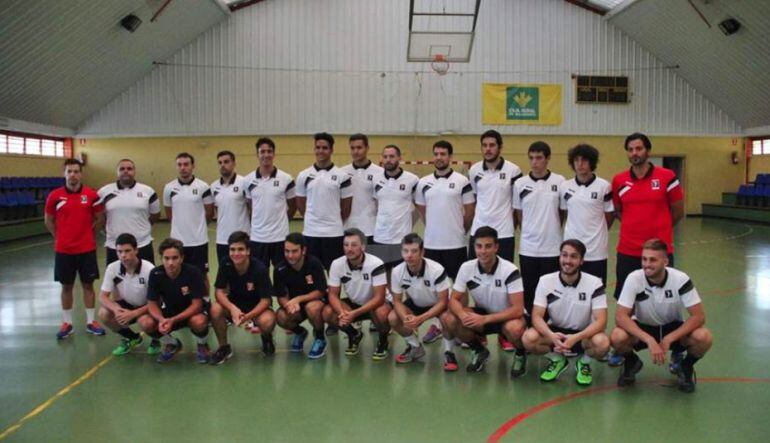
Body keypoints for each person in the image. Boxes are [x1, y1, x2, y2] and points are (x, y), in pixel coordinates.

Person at [609, 132, 684, 366]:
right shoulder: (619, 181)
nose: (635, 153)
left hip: (660, 253)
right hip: (628, 251)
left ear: (647, 151)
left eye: (639, 149)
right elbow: (619, 211)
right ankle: (624, 350)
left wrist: (658, 239)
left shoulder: (667, 176)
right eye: (630, 149)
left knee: (668, 299)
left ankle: (676, 349)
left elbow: (678, 210)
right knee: (626, 302)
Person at [610, 239, 712, 393]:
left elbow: (698, 316)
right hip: (644, 326)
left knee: (703, 337)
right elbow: (620, 317)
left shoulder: (680, 279)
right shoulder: (634, 278)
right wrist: (649, 339)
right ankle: (631, 362)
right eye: (644, 259)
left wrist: (669, 338)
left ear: (665, 261)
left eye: (652, 260)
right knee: (617, 336)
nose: (646, 264)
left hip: (672, 326)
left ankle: (685, 367)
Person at [440, 227, 527, 375]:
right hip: (483, 313)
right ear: (474, 247)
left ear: (496, 247)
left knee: (515, 329)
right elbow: (453, 300)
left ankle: (520, 354)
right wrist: (462, 315)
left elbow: (518, 309)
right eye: (479, 246)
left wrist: (485, 319)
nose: (483, 251)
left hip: (506, 317)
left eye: (488, 246)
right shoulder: (467, 267)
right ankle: (479, 350)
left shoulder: (510, 270)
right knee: (448, 318)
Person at [522, 239, 609, 385]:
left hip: (583, 334)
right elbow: (536, 316)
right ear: (560, 257)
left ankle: (584, 362)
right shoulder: (545, 281)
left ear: (581, 261)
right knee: (528, 338)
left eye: (573, 256)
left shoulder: (594, 283)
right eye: (564, 255)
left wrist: (576, 337)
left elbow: (601, 321)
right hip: (556, 333)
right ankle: (557, 360)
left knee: (603, 344)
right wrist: (551, 336)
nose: (567, 261)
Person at [468, 129, 522, 352]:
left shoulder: (513, 171)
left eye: (492, 145)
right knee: (478, 283)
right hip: (477, 234)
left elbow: (517, 203)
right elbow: (474, 200)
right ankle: (478, 332)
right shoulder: (473, 171)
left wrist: (512, 227)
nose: (488, 149)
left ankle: (503, 332)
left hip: (504, 235)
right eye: (485, 145)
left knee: (503, 287)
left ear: (500, 147)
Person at [44, 158, 105, 339]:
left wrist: (88, 236)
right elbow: (48, 220)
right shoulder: (54, 196)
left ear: (81, 173)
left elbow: (100, 219)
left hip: (86, 249)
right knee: (66, 287)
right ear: (64, 174)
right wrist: (60, 238)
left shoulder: (91, 195)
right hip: (64, 251)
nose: (73, 175)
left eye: (76, 171)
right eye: (69, 171)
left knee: (88, 285)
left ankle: (91, 322)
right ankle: (67, 323)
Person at [323, 229, 391, 360]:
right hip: (354, 303)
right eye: (346, 245)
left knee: (382, 313)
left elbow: (379, 298)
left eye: (354, 245)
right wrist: (342, 313)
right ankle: (354, 334)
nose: (349, 249)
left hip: (376, 304)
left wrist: (354, 314)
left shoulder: (376, 263)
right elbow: (332, 294)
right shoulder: (337, 264)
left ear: (363, 247)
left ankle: (383, 340)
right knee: (327, 312)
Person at [513, 141, 565, 315]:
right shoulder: (520, 184)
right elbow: (519, 214)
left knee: (551, 291)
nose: (534, 162)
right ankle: (530, 327)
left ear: (548, 159)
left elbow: (561, 213)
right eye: (531, 158)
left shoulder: (560, 181)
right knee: (530, 290)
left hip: (552, 248)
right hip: (528, 249)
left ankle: (549, 327)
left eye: (539, 158)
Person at [209, 231, 276, 364]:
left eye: (240, 249)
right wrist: (232, 309)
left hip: (256, 307)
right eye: (232, 249)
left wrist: (248, 316)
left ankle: (266, 338)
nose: (236, 253)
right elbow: (219, 292)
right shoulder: (225, 263)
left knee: (267, 321)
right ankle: (224, 347)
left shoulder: (259, 269)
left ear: (248, 251)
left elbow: (266, 300)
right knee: (215, 309)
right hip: (234, 305)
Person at [415, 140, 475, 281]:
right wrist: (433, 227)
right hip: (431, 244)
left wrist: (461, 229)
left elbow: (470, 210)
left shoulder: (462, 181)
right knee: (432, 283)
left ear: (450, 157)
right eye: (436, 154)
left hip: (456, 243)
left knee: (459, 284)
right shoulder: (423, 182)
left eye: (443, 154)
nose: (439, 157)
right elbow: (422, 212)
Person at [143, 238, 211, 364]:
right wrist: (161, 319)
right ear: (161, 259)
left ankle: (202, 344)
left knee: (199, 322)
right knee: (145, 322)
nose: (170, 263)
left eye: (175, 258)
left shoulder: (193, 272)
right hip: (170, 311)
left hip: (192, 312)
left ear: (182, 258)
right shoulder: (155, 274)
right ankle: (172, 344)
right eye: (166, 258)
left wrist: (173, 320)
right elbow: (152, 303)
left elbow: (197, 305)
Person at [388, 233, 450, 364]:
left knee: (448, 319)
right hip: (417, 303)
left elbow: (443, 301)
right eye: (405, 251)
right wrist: (406, 318)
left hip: (438, 303)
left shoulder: (436, 270)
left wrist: (421, 319)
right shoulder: (397, 271)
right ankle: (415, 347)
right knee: (393, 317)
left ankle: (449, 352)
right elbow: (397, 301)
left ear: (422, 252)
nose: (409, 255)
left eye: (414, 251)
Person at [295, 132, 353, 270]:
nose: (321, 151)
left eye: (325, 148)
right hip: (310, 233)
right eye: (318, 147)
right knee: (312, 273)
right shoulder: (303, 175)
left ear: (331, 150)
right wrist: (311, 218)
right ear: (314, 149)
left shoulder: (342, 176)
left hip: (334, 233)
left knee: (335, 272)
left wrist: (334, 221)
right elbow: (300, 203)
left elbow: (346, 206)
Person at [559, 144, 614, 284]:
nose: (580, 164)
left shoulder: (604, 186)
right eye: (576, 160)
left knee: (596, 290)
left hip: (596, 251)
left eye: (584, 160)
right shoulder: (565, 186)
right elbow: (564, 213)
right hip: (572, 249)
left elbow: (609, 215)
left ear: (592, 162)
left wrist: (596, 232)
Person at [98, 233, 159, 355]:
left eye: (127, 251)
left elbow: (158, 301)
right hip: (128, 303)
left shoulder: (149, 269)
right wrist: (116, 309)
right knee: (103, 313)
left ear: (136, 250)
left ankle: (156, 339)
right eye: (119, 251)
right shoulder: (112, 268)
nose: (123, 255)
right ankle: (132, 338)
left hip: (148, 305)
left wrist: (134, 313)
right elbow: (103, 296)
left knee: (145, 323)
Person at [273, 233, 329, 359]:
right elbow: (281, 296)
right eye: (287, 251)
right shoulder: (279, 269)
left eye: (294, 251)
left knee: (312, 308)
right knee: (281, 317)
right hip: (295, 306)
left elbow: (320, 291)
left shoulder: (314, 263)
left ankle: (320, 338)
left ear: (303, 250)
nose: (290, 255)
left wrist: (298, 299)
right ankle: (300, 332)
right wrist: (288, 306)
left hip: (316, 302)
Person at [244, 137, 297, 268]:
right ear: (257, 154)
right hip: (258, 238)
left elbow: (293, 206)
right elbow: (250, 206)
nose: (266, 155)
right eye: (262, 151)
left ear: (274, 154)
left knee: (282, 275)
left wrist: (282, 221)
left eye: (269, 151)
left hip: (280, 237)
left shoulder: (286, 179)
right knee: (260, 276)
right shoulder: (247, 180)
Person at [97, 158, 160, 265]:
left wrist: (143, 226)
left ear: (134, 171)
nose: (126, 171)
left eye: (129, 168)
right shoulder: (104, 192)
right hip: (114, 246)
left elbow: (155, 214)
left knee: (145, 279)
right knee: (117, 280)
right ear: (117, 172)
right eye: (122, 169)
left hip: (142, 245)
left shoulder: (148, 191)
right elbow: (99, 216)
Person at [162, 152, 214, 276]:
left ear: (193, 166)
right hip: (177, 242)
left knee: (201, 274)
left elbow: (209, 213)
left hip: (199, 241)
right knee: (178, 274)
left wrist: (198, 227)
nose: (183, 168)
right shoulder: (169, 188)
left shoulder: (203, 187)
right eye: (179, 165)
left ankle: (205, 296)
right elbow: (169, 214)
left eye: (186, 164)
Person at [342, 133, 383, 243]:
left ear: (367, 148)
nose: (356, 151)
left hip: (372, 230)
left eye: (359, 147)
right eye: (352, 148)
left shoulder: (380, 173)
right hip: (347, 229)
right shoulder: (342, 173)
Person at [211, 150, 250, 265]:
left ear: (234, 163)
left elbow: (251, 207)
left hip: (242, 237)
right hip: (222, 239)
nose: (223, 165)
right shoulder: (214, 186)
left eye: (226, 162)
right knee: (225, 273)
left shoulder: (244, 183)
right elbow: (217, 210)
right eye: (220, 162)